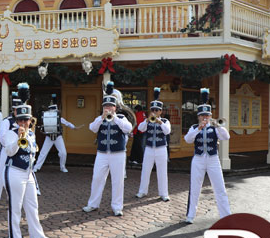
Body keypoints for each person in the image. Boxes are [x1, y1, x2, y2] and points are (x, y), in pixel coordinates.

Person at [2, 82, 50, 238]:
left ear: (30, 120)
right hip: (14, 172)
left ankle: (36, 234)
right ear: (16, 120)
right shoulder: (11, 133)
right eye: (20, 120)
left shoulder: (31, 133)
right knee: (15, 207)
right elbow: (9, 151)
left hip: (28, 173)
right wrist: (18, 138)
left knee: (32, 205)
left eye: (26, 120)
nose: (23, 123)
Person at [82, 81, 133, 216]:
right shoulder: (100, 118)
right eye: (106, 106)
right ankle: (93, 204)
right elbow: (92, 128)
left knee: (117, 180)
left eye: (111, 106)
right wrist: (102, 118)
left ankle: (117, 207)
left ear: (115, 107)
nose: (108, 108)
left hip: (118, 154)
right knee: (97, 178)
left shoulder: (121, 118)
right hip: (102, 153)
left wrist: (114, 118)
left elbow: (128, 128)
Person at [183, 88, 231, 224]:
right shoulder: (194, 127)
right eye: (202, 115)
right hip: (198, 159)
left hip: (213, 159)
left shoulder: (215, 127)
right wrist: (198, 128)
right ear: (198, 116)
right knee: (194, 187)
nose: (204, 117)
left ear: (210, 116)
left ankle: (225, 215)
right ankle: (190, 215)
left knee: (220, 187)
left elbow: (226, 137)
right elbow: (187, 139)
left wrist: (218, 126)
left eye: (207, 115)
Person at [135, 87, 171, 201]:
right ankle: (142, 191)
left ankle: (164, 193)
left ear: (160, 111)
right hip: (149, 148)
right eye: (153, 110)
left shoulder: (165, 121)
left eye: (157, 110)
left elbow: (167, 131)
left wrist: (159, 121)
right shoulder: (148, 120)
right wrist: (146, 120)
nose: (155, 112)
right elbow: (140, 128)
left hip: (161, 148)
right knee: (145, 170)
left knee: (162, 171)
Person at [0, 91, 21, 209]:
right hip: (6, 151)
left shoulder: (23, 122)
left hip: (18, 151)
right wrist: (10, 147)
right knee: (2, 174)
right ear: (14, 110)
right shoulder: (7, 121)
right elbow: (2, 137)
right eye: (17, 109)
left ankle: (11, 199)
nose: (19, 112)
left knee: (16, 175)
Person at [33, 93, 78, 173]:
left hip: (58, 136)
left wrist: (73, 127)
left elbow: (66, 123)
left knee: (63, 153)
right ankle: (37, 167)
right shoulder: (47, 117)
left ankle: (62, 166)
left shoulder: (58, 118)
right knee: (43, 152)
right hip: (49, 136)